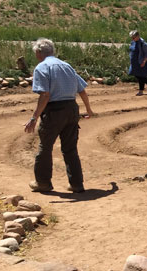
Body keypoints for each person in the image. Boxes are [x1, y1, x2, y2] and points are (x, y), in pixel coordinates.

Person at [25, 38, 94, 193]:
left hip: (54, 111)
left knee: (45, 146)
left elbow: (45, 95)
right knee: (70, 148)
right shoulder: (67, 66)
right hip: (72, 109)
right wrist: (88, 110)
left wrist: (34, 117)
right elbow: (82, 90)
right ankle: (77, 184)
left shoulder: (41, 67)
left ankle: (43, 182)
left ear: (38, 53)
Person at [128, 30, 147, 96]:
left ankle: (141, 91)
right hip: (134, 62)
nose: (132, 39)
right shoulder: (133, 42)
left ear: (138, 36)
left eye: (133, 37)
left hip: (141, 62)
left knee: (140, 76)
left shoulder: (143, 43)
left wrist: (144, 62)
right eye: (132, 37)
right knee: (136, 74)